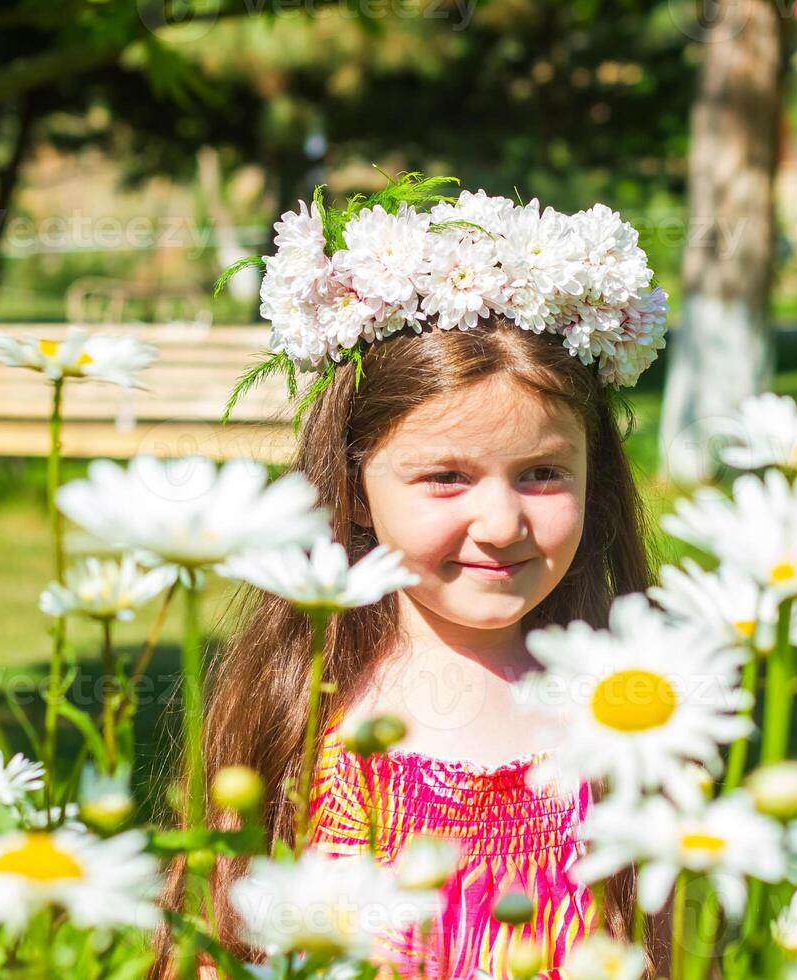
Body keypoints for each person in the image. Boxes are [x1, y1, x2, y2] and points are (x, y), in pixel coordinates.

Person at [170, 179, 669, 978]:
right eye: (445, 477)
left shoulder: (635, 710)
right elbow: (228, 938)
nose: (502, 523)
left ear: (595, 478)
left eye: (542, 473)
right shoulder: (307, 702)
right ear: (355, 487)